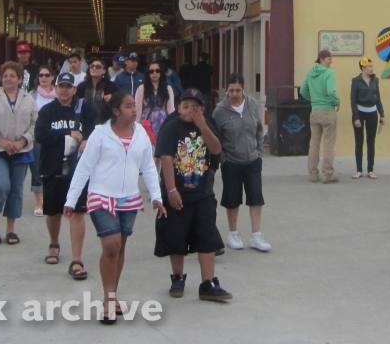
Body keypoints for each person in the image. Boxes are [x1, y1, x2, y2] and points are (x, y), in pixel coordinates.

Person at [62, 91, 165, 323]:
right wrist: (71, 200)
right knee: (111, 245)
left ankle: (112, 293)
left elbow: (148, 166)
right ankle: (108, 300)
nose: (133, 110)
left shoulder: (141, 134)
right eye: (128, 106)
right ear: (116, 111)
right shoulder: (100, 134)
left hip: (129, 198)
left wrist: (157, 196)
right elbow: (83, 168)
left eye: (133, 106)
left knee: (120, 247)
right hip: (101, 196)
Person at [154, 88, 232, 302]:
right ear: (178, 107)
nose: (190, 110)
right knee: (176, 237)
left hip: (202, 192)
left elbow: (216, 149)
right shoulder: (170, 127)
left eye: (195, 107)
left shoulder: (205, 126)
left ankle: (208, 283)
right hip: (177, 191)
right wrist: (170, 189)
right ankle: (178, 277)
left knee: (207, 237)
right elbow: (167, 159)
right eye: (186, 106)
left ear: (203, 109)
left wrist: (202, 125)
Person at [36, 72, 97, 279]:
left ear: (74, 89)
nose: (64, 90)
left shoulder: (85, 109)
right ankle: (54, 243)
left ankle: (77, 259)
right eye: (60, 86)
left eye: (68, 86)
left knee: (77, 213)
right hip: (52, 167)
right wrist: (66, 135)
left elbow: (95, 129)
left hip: (77, 171)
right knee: (53, 212)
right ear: (56, 88)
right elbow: (40, 134)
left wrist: (86, 139)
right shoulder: (47, 111)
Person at [0, 61, 38, 247]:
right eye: (5, 76)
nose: (8, 79)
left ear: (20, 79)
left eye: (12, 76)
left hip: (21, 150)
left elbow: (36, 124)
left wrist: (23, 141)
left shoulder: (28, 99)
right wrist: (0, 140)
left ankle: (11, 228)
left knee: (16, 190)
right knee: (1, 185)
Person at [214, 73, 269, 252]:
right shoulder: (220, 111)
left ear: (243, 89)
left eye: (238, 90)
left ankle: (256, 234)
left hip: (252, 160)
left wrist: (259, 152)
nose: (235, 94)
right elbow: (215, 138)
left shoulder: (252, 104)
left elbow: (259, 130)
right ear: (227, 91)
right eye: (231, 91)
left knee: (256, 197)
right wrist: (223, 158)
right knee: (232, 198)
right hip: (231, 161)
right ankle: (233, 233)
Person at [300, 49, 341, 183]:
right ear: (322, 59)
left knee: (314, 143)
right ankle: (327, 174)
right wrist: (337, 101)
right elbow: (331, 91)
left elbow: (302, 90)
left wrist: (313, 99)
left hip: (315, 111)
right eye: (328, 59)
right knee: (329, 144)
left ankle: (313, 174)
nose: (331, 61)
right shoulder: (329, 73)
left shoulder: (310, 73)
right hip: (328, 110)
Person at [28, 66, 58, 217]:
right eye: (41, 75)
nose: (44, 78)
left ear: (53, 77)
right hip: (37, 136)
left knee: (56, 168)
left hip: (57, 135)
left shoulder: (60, 94)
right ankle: (39, 202)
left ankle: (54, 198)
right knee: (37, 169)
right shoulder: (31, 95)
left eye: (47, 75)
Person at [350, 58, 385, 180]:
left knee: (371, 142)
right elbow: (353, 100)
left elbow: (378, 97)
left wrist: (382, 114)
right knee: (359, 142)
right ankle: (359, 170)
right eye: (369, 66)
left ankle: (370, 170)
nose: (372, 68)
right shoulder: (356, 81)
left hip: (372, 113)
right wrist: (356, 117)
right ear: (363, 68)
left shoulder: (375, 80)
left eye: (372, 66)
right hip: (360, 113)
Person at [136, 61, 176, 142]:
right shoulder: (142, 88)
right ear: (148, 73)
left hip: (162, 122)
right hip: (146, 123)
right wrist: (136, 125)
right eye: (151, 71)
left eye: (157, 71)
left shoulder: (168, 89)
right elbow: (137, 108)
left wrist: (173, 124)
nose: (154, 73)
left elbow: (171, 109)